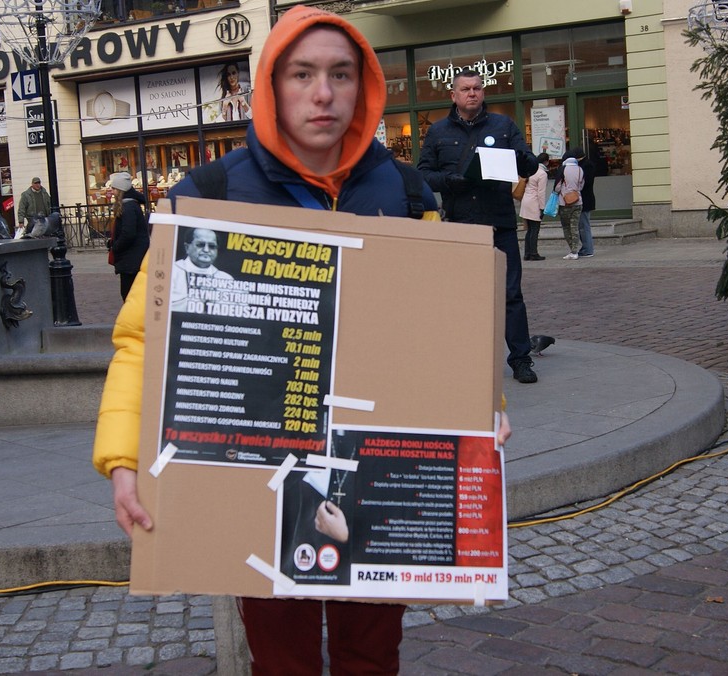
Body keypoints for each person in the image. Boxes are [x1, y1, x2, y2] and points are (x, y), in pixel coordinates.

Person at [92, 8, 511, 674]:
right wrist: (122, 458)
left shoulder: (405, 190)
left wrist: (479, 411)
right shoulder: (211, 193)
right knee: (280, 658)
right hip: (254, 468)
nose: (323, 94)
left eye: (341, 74)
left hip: (377, 463)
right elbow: (144, 339)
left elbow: (441, 329)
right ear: (272, 85)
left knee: (371, 655)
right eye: (303, 74)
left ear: (364, 88)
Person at [417, 69, 540, 385]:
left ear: (483, 93)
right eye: (465, 89)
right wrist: (448, 181)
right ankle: (468, 360)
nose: (472, 93)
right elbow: (423, 174)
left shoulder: (503, 126)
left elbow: (527, 163)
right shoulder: (438, 132)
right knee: (465, 298)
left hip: (500, 224)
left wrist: (521, 159)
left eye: (477, 88)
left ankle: (521, 360)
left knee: (510, 295)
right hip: (462, 226)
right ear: (454, 95)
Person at [168, 228, 234, 313]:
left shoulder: (226, 279)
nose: (206, 250)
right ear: (187, 247)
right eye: (200, 245)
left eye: (212, 246)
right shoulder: (172, 271)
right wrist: (198, 298)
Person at [107, 172, 149, 300]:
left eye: (114, 189)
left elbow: (128, 234)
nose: (112, 192)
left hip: (131, 260)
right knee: (131, 294)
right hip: (132, 258)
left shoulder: (129, 207)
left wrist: (115, 246)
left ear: (121, 190)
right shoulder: (130, 205)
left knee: (130, 295)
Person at [519, 152, 550, 261]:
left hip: (526, 201)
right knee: (535, 229)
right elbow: (541, 193)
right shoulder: (542, 174)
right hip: (534, 202)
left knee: (529, 230)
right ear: (546, 162)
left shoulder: (531, 171)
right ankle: (533, 253)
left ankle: (527, 253)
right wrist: (542, 208)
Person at [556, 150, 585, 260]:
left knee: (566, 227)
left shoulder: (563, 169)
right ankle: (575, 251)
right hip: (578, 201)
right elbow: (581, 185)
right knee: (575, 227)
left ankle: (572, 250)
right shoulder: (580, 169)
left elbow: (557, 187)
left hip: (565, 202)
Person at [577, 146, 597, 258]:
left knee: (584, 226)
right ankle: (586, 247)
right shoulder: (586, 164)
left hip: (585, 199)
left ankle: (588, 249)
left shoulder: (586, 166)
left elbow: (586, 182)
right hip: (586, 198)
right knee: (583, 225)